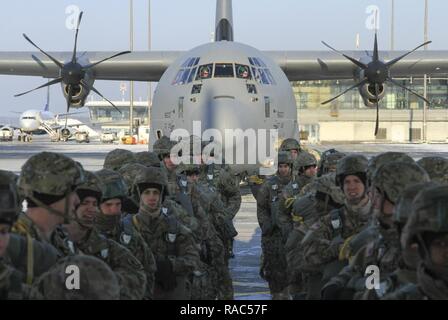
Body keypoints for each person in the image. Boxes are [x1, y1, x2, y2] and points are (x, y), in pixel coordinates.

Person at [300, 155, 370, 299]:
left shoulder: (380, 218)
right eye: (347, 182)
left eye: (356, 181)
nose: (351, 186)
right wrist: (339, 248)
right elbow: (308, 252)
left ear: (366, 184)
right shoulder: (333, 220)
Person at [131, 166, 200, 299]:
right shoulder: (128, 228)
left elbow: (193, 259)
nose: (152, 197)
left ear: (162, 196)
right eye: (147, 192)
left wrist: (170, 266)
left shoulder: (175, 228)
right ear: (139, 195)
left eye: (156, 192)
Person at [257, 151, 293, 299]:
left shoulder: (296, 185)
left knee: (292, 272)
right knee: (274, 272)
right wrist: (266, 225)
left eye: (286, 166)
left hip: (292, 234)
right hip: (273, 235)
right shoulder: (269, 185)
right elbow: (262, 208)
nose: (283, 169)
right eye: (281, 166)